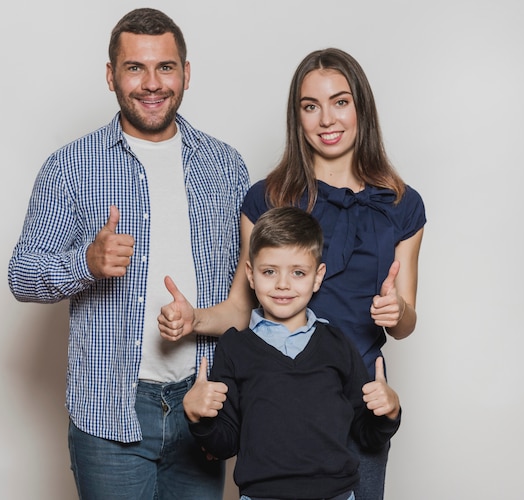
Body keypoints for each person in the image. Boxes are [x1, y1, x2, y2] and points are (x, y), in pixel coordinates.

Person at [159, 48, 426, 499]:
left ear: (361, 107)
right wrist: (193, 320)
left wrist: (396, 311)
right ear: (297, 116)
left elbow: (406, 323)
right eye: (310, 106)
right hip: (277, 401)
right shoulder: (265, 197)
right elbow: (240, 310)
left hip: (360, 400)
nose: (326, 119)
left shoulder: (402, 204)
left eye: (340, 101)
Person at [8, 8, 249, 500]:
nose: (152, 83)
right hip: (109, 409)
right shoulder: (71, 167)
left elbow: (248, 293)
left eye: (165, 67)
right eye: (135, 67)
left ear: (186, 72)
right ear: (110, 75)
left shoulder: (224, 165)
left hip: (202, 401)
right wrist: (87, 264)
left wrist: (232, 403)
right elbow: (22, 276)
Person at [183, 207, 401, 500]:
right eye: (269, 271)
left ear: (317, 276)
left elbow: (367, 436)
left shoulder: (338, 344)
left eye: (298, 272)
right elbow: (225, 444)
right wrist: (199, 418)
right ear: (250, 273)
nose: (283, 284)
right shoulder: (234, 348)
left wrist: (389, 412)